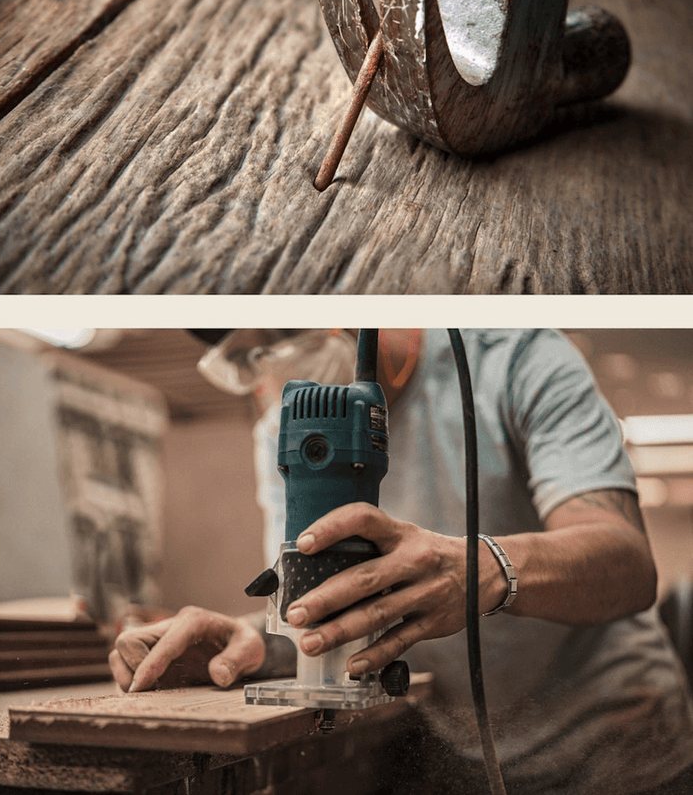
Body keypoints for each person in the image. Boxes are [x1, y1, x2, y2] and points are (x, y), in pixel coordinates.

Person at [110, 329, 693, 795]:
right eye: (244, 358)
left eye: (278, 338)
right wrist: (253, 645)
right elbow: (323, 600)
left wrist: (481, 568)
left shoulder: (514, 356)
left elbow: (628, 565)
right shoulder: (285, 431)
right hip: (466, 758)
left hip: (623, 752)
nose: (270, 370)